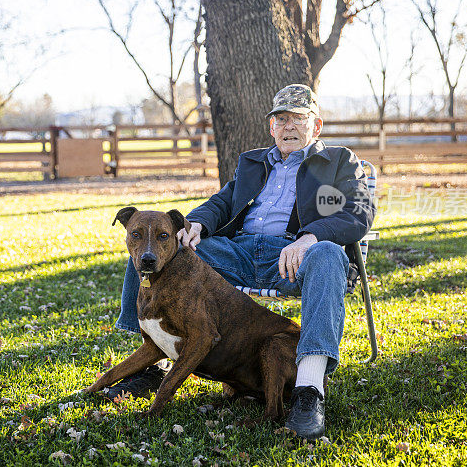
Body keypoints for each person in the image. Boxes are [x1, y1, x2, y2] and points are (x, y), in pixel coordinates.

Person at [107, 84, 376, 440]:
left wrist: (310, 236)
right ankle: (151, 362)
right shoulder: (252, 162)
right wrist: (198, 224)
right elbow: (223, 201)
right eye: (281, 119)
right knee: (152, 245)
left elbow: (357, 213)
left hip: (292, 256)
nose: (289, 126)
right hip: (237, 252)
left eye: (298, 118)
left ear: (317, 125)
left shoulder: (337, 163)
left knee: (327, 253)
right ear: (271, 127)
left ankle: (309, 391)